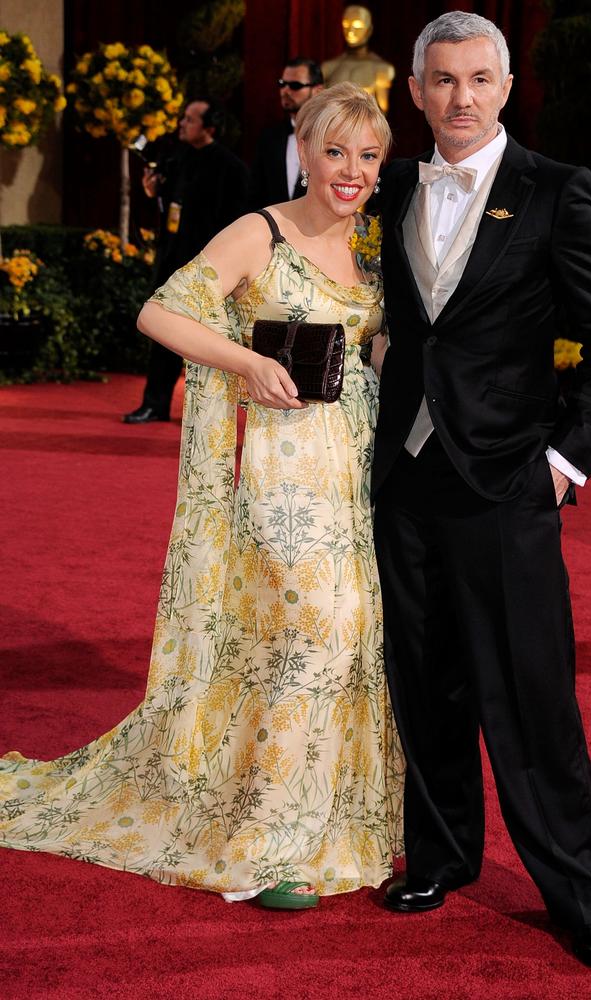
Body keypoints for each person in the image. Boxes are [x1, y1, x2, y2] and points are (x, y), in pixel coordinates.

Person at [0, 83, 402, 910]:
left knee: (354, 635)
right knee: (304, 633)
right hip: (276, 473)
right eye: (336, 152)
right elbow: (161, 312)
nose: (351, 171)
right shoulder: (261, 229)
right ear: (306, 150)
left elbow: (378, 348)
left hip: (356, 471)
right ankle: (263, 833)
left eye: (368, 156)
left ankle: (326, 819)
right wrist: (246, 361)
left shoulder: (375, 246)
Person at [371, 11, 591, 968]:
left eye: (479, 79)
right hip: (403, 475)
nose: (461, 98)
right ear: (416, 91)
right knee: (425, 678)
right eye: (442, 80)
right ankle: (442, 856)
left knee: (530, 695)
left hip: (509, 480)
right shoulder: (393, 181)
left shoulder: (558, 190)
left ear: (506, 85)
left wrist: (566, 459)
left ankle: (582, 895)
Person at [123, 100, 249, 424]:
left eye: (190, 120)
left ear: (209, 127)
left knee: (209, 340)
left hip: (210, 267)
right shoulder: (176, 156)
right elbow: (167, 199)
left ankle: (212, 414)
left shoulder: (230, 167)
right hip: (171, 258)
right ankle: (154, 403)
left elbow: (236, 220)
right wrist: (152, 191)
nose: (182, 124)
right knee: (163, 334)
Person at [247, 57, 323, 210]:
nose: (285, 91)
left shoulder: (331, 137)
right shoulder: (269, 138)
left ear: (317, 91)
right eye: (282, 84)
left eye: (295, 85)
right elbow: (255, 195)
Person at [322, 5, 395, 113]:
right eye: (346, 25)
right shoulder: (328, 67)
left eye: (357, 26)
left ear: (369, 29)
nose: (350, 31)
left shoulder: (381, 69)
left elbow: (382, 111)